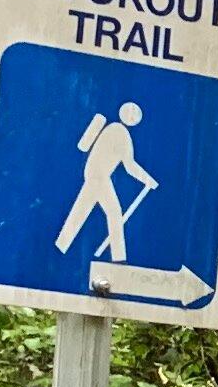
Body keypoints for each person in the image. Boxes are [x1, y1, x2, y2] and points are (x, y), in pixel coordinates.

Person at [57, 102, 157, 265]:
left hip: (94, 174)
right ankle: (118, 258)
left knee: (82, 210)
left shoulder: (112, 128)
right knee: (114, 212)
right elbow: (129, 166)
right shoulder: (121, 134)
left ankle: (61, 246)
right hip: (99, 176)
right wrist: (149, 180)